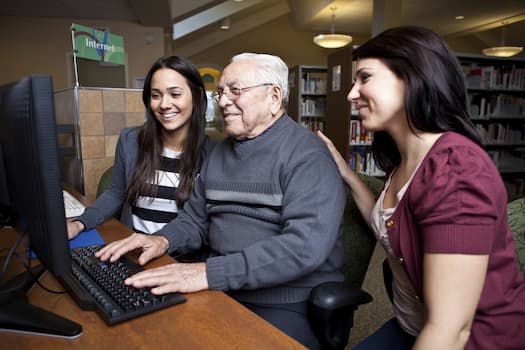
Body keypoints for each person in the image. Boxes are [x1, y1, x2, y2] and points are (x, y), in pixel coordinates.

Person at [94, 52, 347, 349]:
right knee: (141, 332)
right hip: (223, 286)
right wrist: (161, 240)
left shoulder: (307, 156)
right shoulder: (222, 153)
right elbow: (195, 219)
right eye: (222, 93)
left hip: (285, 300)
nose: (224, 101)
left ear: (274, 96)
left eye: (235, 91)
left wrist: (209, 273)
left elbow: (303, 248)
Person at [318, 26, 525, 350]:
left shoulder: (455, 169)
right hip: (410, 326)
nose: (351, 94)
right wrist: (344, 171)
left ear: (412, 76)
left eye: (365, 78)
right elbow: (386, 221)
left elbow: (451, 330)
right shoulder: (407, 160)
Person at [68, 56, 215, 260]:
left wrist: (162, 242)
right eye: (156, 95)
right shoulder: (130, 140)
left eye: (175, 94)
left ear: (197, 96)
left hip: (181, 260)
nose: (164, 104)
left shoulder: (214, 154)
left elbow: (205, 223)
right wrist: (79, 223)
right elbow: (115, 194)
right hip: (133, 252)